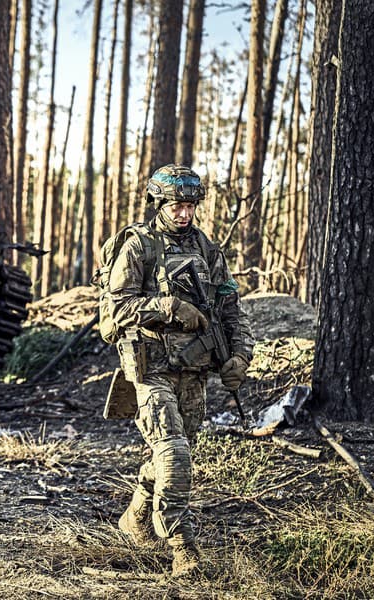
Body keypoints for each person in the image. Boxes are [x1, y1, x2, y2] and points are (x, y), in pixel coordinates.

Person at [106, 164, 254, 576]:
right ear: (160, 203)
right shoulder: (139, 246)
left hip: (193, 370)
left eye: (190, 206)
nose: (184, 213)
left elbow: (229, 309)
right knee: (173, 453)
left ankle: (135, 518)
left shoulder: (207, 250)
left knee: (173, 453)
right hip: (150, 366)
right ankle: (182, 545)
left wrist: (240, 356)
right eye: (176, 205)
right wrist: (168, 307)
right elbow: (115, 309)